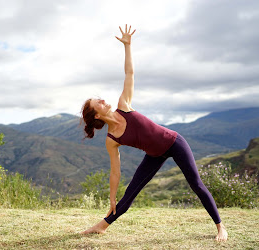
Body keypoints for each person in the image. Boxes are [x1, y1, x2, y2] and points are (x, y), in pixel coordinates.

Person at [80, 24, 228, 241]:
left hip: (175, 142)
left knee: (195, 183)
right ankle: (101, 226)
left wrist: (128, 46)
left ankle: (220, 227)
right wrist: (112, 197)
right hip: (154, 154)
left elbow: (129, 72)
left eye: (100, 98)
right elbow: (115, 172)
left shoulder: (124, 104)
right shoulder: (111, 140)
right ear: (96, 115)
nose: (103, 100)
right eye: (98, 103)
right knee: (130, 192)